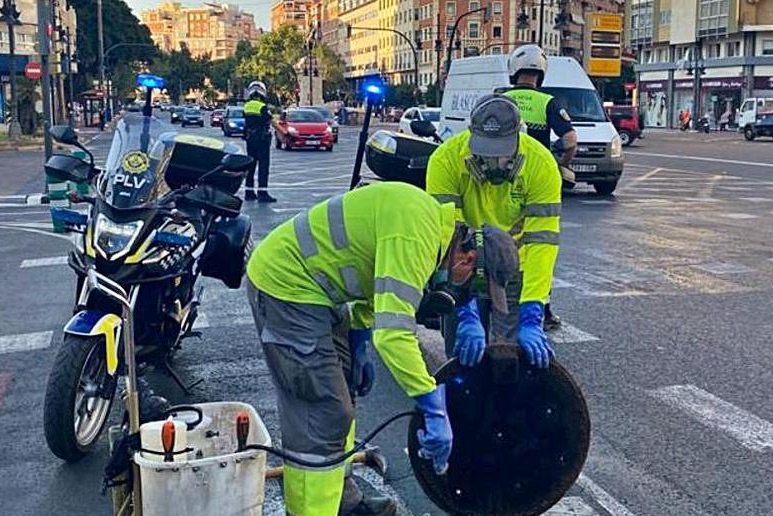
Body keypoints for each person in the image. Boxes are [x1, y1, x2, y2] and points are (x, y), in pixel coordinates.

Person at [246, 181, 520, 516]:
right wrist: (431, 404)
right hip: (287, 286)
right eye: (474, 283)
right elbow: (393, 335)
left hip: (319, 291)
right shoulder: (417, 237)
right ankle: (308, 511)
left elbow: (370, 279)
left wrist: (359, 338)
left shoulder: (429, 228)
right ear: (468, 256)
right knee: (322, 412)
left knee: (343, 392)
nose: (465, 290)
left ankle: (343, 502)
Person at [427, 94, 562, 370]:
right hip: (465, 264)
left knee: (510, 358)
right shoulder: (445, 160)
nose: (493, 163)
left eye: (501, 153)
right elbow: (446, 239)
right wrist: (463, 308)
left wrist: (533, 310)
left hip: (513, 267)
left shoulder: (541, 164)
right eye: (485, 153)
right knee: (463, 357)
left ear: (518, 139)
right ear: (470, 136)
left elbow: (542, 242)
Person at [500, 44, 574, 332]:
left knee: (495, 240)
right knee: (538, 247)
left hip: (499, 180)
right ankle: (542, 309)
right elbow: (570, 139)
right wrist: (561, 167)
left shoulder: (499, 98)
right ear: (540, 73)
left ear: (514, 71)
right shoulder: (548, 102)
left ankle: (493, 300)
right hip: (536, 182)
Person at [243, 81, 280, 203]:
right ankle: (262, 193)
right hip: (262, 140)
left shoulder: (247, 106)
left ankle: (249, 192)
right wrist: (285, 132)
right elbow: (272, 122)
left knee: (251, 166)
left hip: (250, 140)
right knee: (263, 167)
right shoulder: (262, 107)